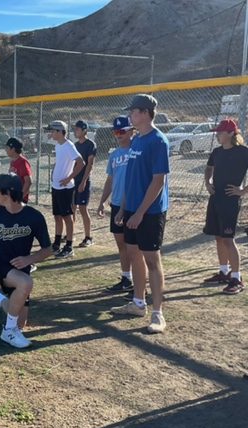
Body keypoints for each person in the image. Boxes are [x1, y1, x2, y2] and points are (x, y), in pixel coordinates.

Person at [111, 94, 170, 334]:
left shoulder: (158, 141)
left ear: (145, 113)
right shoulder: (136, 140)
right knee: (134, 254)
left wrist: (140, 213)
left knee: (152, 260)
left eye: (133, 112)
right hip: (132, 209)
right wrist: (124, 208)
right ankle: (138, 303)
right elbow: (132, 178)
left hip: (150, 211)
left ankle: (158, 314)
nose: (130, 116)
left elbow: (158, 182)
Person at [0, 174, 53, 348]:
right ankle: (8, 331)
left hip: (20, 269)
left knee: (21, 323)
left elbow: (48, 250)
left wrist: (29, 259)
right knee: (26, 283)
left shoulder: (34, 216)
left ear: (7, 193)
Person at [202, 118, 248, 294]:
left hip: (230, 201)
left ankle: (236, 278)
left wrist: (242, 191)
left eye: (220, 132)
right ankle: (224, 272)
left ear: (230, 133)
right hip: (216, 199)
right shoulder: (217, 151)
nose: (217, 135)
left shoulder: (243, 152)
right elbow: (208, 168)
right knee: (219, 237)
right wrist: (208, 182)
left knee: (228, 239)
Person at [97, 116, 135, 292]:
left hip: (133, 205)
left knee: (134, 246)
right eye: (116, 132)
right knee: (121, 244)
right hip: (116, 203)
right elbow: (110, 180)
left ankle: (139, 282)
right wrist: (102, 201)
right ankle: (126, 278)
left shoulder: (136, 151)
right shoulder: (114, 154)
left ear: (131, 131)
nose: (119, 135)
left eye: (122, 131)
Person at [45, 120, 85, 259]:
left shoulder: (69, 145)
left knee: (67, 217)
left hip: (65, 188)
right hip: (56, 186)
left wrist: (69, 178)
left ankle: (69, 246)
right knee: (57, 216)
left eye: (52, 131)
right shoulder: (58, 145)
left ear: (60, 131)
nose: (51, 133)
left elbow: (81, 163)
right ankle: (56, 244)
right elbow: (61, 162)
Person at [73, 120, 97, 247]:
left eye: (77, 129)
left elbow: (90, 164)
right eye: (75, 129)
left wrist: (83, 182)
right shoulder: (75, 145)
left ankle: (88, 237)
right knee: (72, 207)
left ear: (84, 131)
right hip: (74, 181)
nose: (75, 131)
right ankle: (70, 234)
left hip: (83, 181)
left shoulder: (90, 144)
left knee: (82, 209)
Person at [5, 137, 32, 203]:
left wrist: (19, 197)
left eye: (7, 148)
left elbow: (28, 182)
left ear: (13, 149)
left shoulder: (23, 162)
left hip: (19, 200)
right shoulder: (12, 161)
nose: (6, 150)